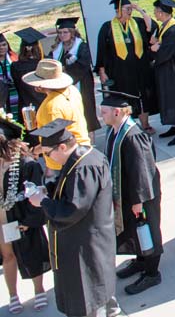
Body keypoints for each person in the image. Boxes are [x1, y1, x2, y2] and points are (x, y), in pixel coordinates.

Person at [26, 119, 118, 317]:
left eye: (48, 154)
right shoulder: (83, 157)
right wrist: (48, 191)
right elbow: (68, 190)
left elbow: (72, 209)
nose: (48, 158)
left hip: (85, 248)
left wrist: (43, 201)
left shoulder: (84, 167)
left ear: (61, 146)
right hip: (84, 244)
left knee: (88, 304)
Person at [99, 91, 163, 296]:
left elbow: (142, 170)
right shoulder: (115, 130)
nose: (102, 116)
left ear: (117, 112)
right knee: (134, 231)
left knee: (148, 232)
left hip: (141, 196)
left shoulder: (133, 135)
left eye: (104, 112)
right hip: (125, 194)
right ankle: (141, 260)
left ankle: (152, 273)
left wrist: (139, 201)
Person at [0, 112, 48, 313]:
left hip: (21, 215)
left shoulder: (25, 163)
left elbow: (36, 191)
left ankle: (39, 290)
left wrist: (30, 219)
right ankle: (13, 295)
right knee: (7, 256)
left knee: (32, 251)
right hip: (2, 216)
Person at [95, 0, 155, 134]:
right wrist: (102, 71)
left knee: (142, 97)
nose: (130, 11)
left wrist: (140, 9)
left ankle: (145, 125)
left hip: (140, 68)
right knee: (122, 99)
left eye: (130, 9)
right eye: (127, 9)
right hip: (119, 72)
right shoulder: (107, 27)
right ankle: (125, 127)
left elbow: (151, 26)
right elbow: (102, 50)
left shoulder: (138, 23)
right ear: (118, 11)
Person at [22, 60, 91, 169]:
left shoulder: (51, 107)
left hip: (63, 160)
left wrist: (34, 151)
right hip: (84, 149)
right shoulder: (72, 90)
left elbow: (52, 141)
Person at [45, 18, 99, 134]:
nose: (62, 35)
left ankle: (90, 140)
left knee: (85, 111)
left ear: (72, 32)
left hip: (82, 84)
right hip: (62, 86)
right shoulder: (56, 49)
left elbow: (83, 64)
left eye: (65, 32)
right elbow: (50, 62)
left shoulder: (82, 46)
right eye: (60, 33)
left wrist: (64, 69)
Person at [148, 0, 175, 147]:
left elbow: (166, 52)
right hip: (168, 70)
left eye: (156, 11)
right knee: (169, 98)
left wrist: (154, 49)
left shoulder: (173, 29)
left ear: (162, 12)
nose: (155, 14)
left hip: (174, 71)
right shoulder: (166, 27)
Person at [9, 32, 42, 116]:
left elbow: (17, 85)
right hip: (43, 104)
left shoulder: (16, 66)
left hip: (26, 106)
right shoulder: (44, 63)